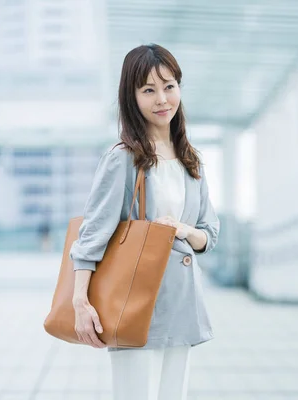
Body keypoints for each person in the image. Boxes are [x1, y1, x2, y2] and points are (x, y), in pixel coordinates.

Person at [69, 43, 220, 400]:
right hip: (136, 304)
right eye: (148, 90)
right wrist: (80, 301)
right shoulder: (123, 159)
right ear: (131, 97)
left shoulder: (190, 160)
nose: (162, 99)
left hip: (181, 305)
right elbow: (92, 234)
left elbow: (209, 235)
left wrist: (183, 231)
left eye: (169, 86)